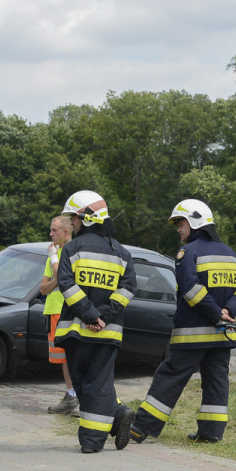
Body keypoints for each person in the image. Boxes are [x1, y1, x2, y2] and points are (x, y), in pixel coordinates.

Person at [129, 199, 236, 444]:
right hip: (222, 335)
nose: (178, 229)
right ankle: (211, 434)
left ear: (195, 222)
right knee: (216, 382)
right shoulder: (230, 253)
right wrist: (228, 310)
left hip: (192, 335)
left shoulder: (188, 252)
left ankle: (140, 428)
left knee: (170, 378)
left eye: (181, 223)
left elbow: (190, 289)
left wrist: (216, 312)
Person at [54, 190, 137, 453]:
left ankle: (92, 440)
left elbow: (66, 285)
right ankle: (117, 415)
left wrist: (91, 316)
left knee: (85, 386)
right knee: (98, 383)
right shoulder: (122, 254)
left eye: (75, 219)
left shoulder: (72, 249)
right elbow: (127, 290)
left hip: (78, 332)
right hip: (108, 333)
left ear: (87, 218)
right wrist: (103, 317)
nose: (73, 224)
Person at [42, 214, 79, 415]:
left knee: (72, 356)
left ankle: (75, 396)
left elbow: (61, 277)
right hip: (53, 310)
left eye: (54, 230)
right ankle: (71, 395)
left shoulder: (71, 252)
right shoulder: (54, 254)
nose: (50, 234)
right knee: (64, 359)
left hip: (67, 310)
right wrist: (57, 279)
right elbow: (43, 287)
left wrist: (55, 261)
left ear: (66, 231)